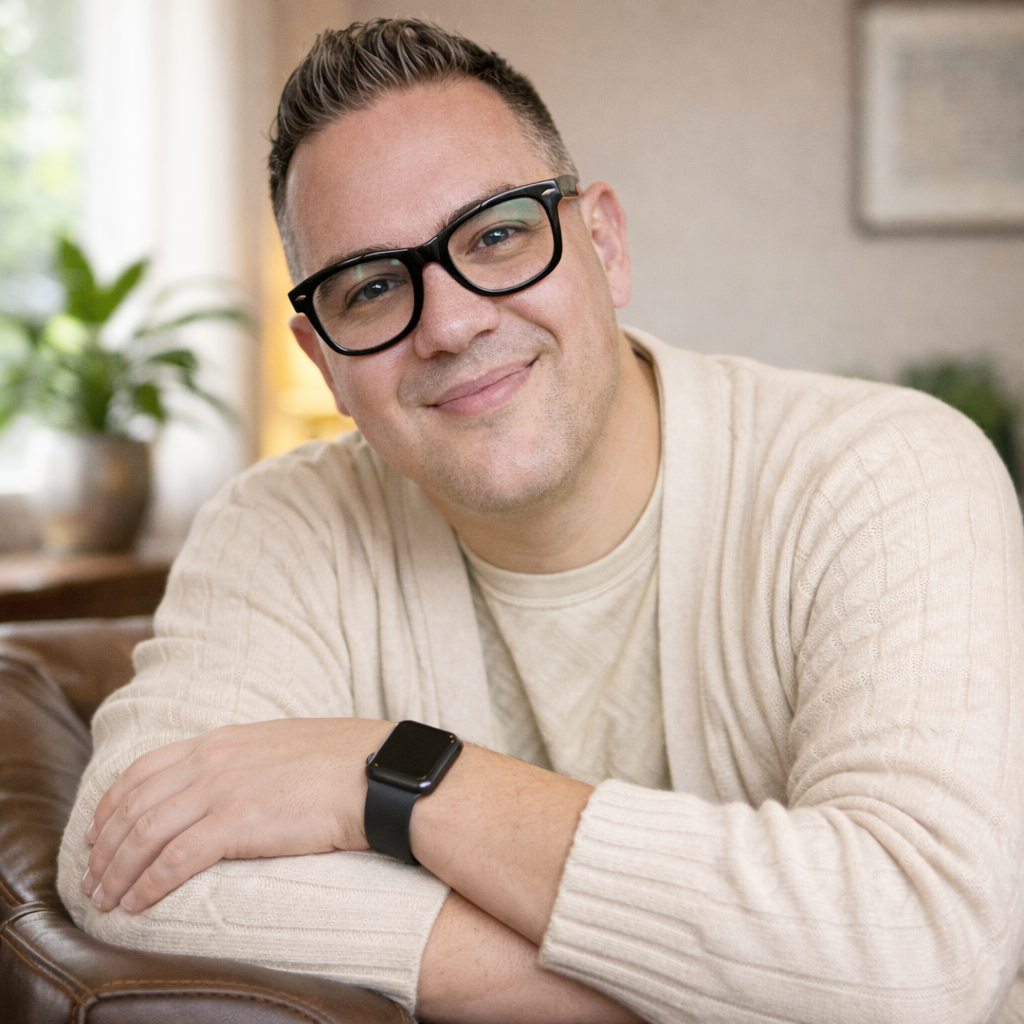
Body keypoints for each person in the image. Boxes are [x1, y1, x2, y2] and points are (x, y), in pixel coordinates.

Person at [58, 18, 1024, 1024]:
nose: (451, 323)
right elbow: (121, 867)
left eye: (497, 234)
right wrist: (636, 996)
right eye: (373, 286)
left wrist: (393, 778)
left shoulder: (886, 467)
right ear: (323, 360)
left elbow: (921, 955)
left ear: (601, 245)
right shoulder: (281, 524)